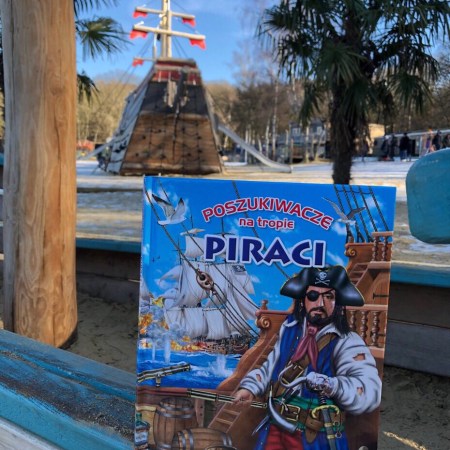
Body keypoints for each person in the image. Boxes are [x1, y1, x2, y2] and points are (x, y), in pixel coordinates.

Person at [234, 265, 381, 450]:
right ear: (303, 299)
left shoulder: (347, 341)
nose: (320, 303)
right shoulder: (290, 329)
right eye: (313, 296)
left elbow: (369, 391)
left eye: (329, 296)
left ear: (338, 303)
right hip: (276, 428)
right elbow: (270, 368)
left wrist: (331, 385)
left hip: (316, 437)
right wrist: (250, 388)